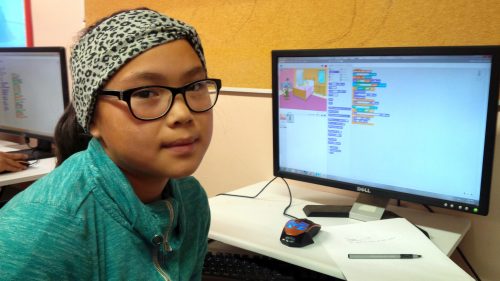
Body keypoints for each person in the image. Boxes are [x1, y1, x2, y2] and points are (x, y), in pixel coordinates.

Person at [0, 8, 220, 280]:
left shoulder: (190, 199)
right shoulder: (38, 235)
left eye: (195, 86)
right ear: (92, 119)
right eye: (146, 93)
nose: (182, 114)